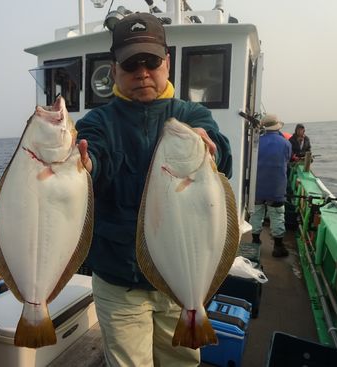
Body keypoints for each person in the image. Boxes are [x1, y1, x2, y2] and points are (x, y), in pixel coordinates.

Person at [75, 12, 232, 367]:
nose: (142, 72)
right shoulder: (98, 122)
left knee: (183, 363)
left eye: (151, 61)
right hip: (120, 282)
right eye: (131, 64)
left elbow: (222, 156)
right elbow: (95, 155)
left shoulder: (191, 115)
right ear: (114, 71)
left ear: (168, 64)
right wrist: (85, 166)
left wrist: (212, 149)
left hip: (181, 284)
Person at [249, 113, 292, 257]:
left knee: (256, 214)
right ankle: (278, 247)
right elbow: (287, 162)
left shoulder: (256, 142)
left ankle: (255, 242)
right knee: (277, 216)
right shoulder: (286, 143)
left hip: (258, 187)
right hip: (277, 187)